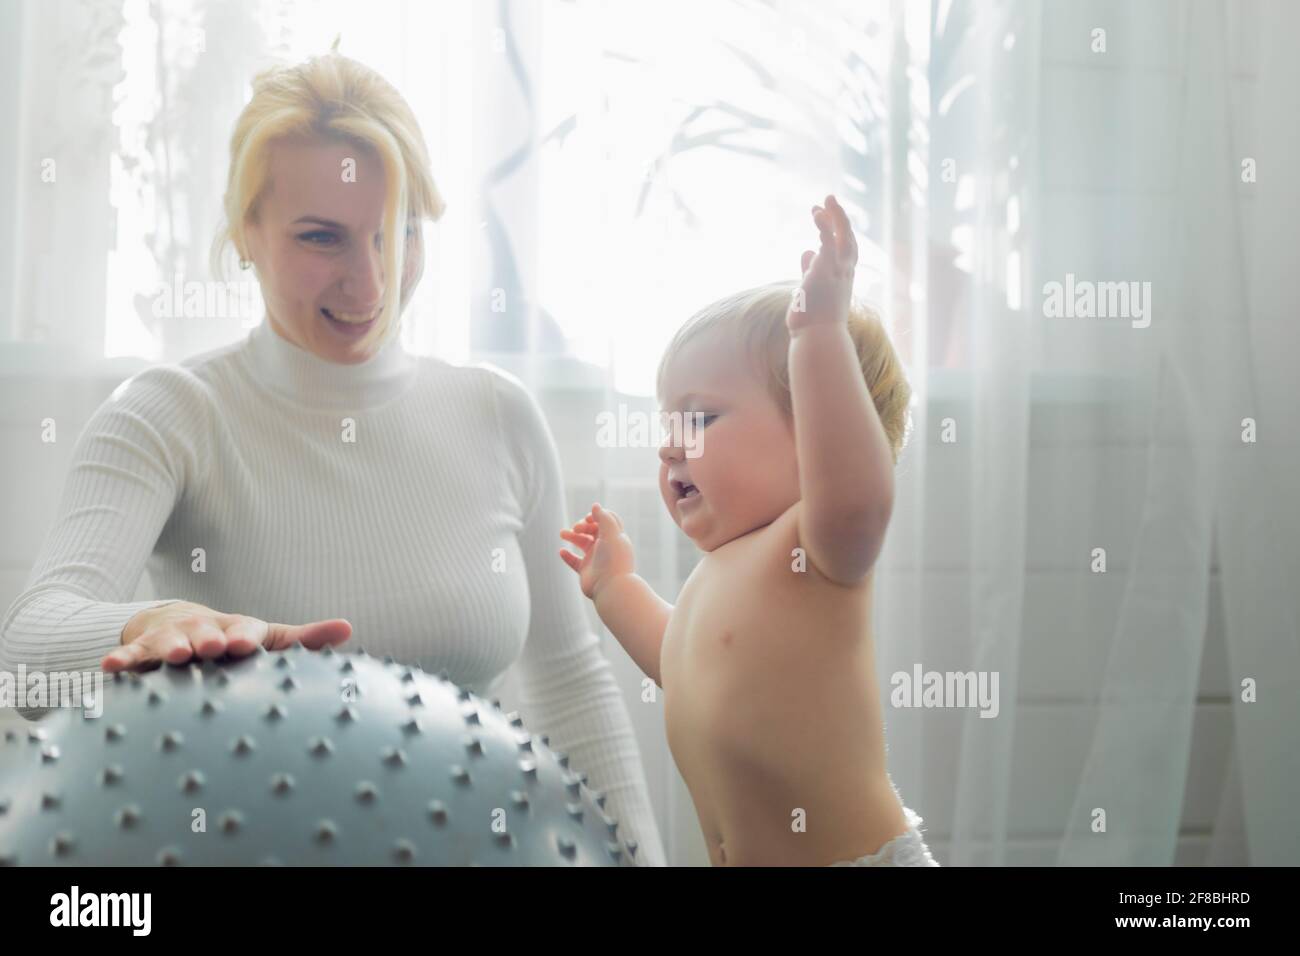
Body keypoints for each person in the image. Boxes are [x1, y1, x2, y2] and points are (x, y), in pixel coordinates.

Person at [0, 51, 665, 866]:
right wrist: (149, 623)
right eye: (322, 238)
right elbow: (28, 650)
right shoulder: (170, 412)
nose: (369, 283)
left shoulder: (499, 416)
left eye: (397, 234)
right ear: (245, 232)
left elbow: (570, 680)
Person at [558, 196, 937, 866]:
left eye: (698, 420)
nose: (670, 445)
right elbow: (682, 661)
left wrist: (818, 333)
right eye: (665, 423)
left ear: (813, 438)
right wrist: (615, 586)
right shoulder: (724, 572)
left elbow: (856, 489)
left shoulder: (819, 547)